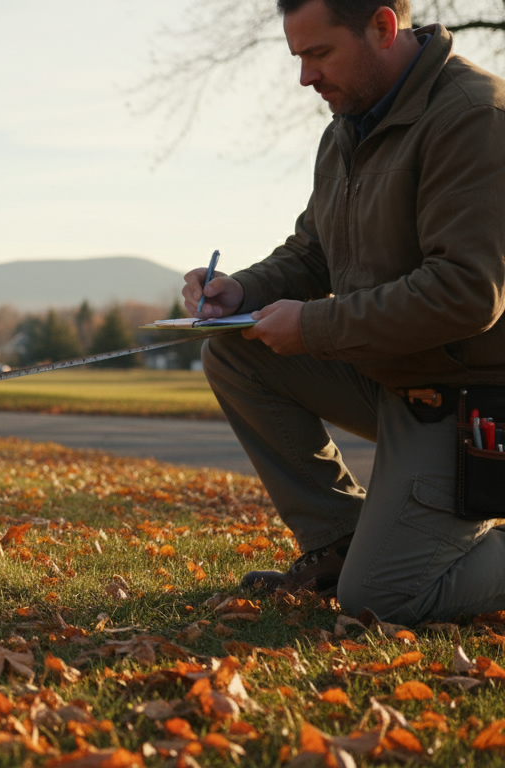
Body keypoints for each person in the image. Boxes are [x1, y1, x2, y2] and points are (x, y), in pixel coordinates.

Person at [182, 0, 505, 625]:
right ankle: (341, 542)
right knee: (233, 348)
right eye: (298, 57)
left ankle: (380, 563)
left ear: (383, 28)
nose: (305, 77)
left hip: (473, 400)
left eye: (318, 53)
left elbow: (468, 291)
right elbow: (313, 252)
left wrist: (314, 326)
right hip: (393, 377)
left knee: (384, 599)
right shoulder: (345, 127)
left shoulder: (474, 117)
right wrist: (239, 293)